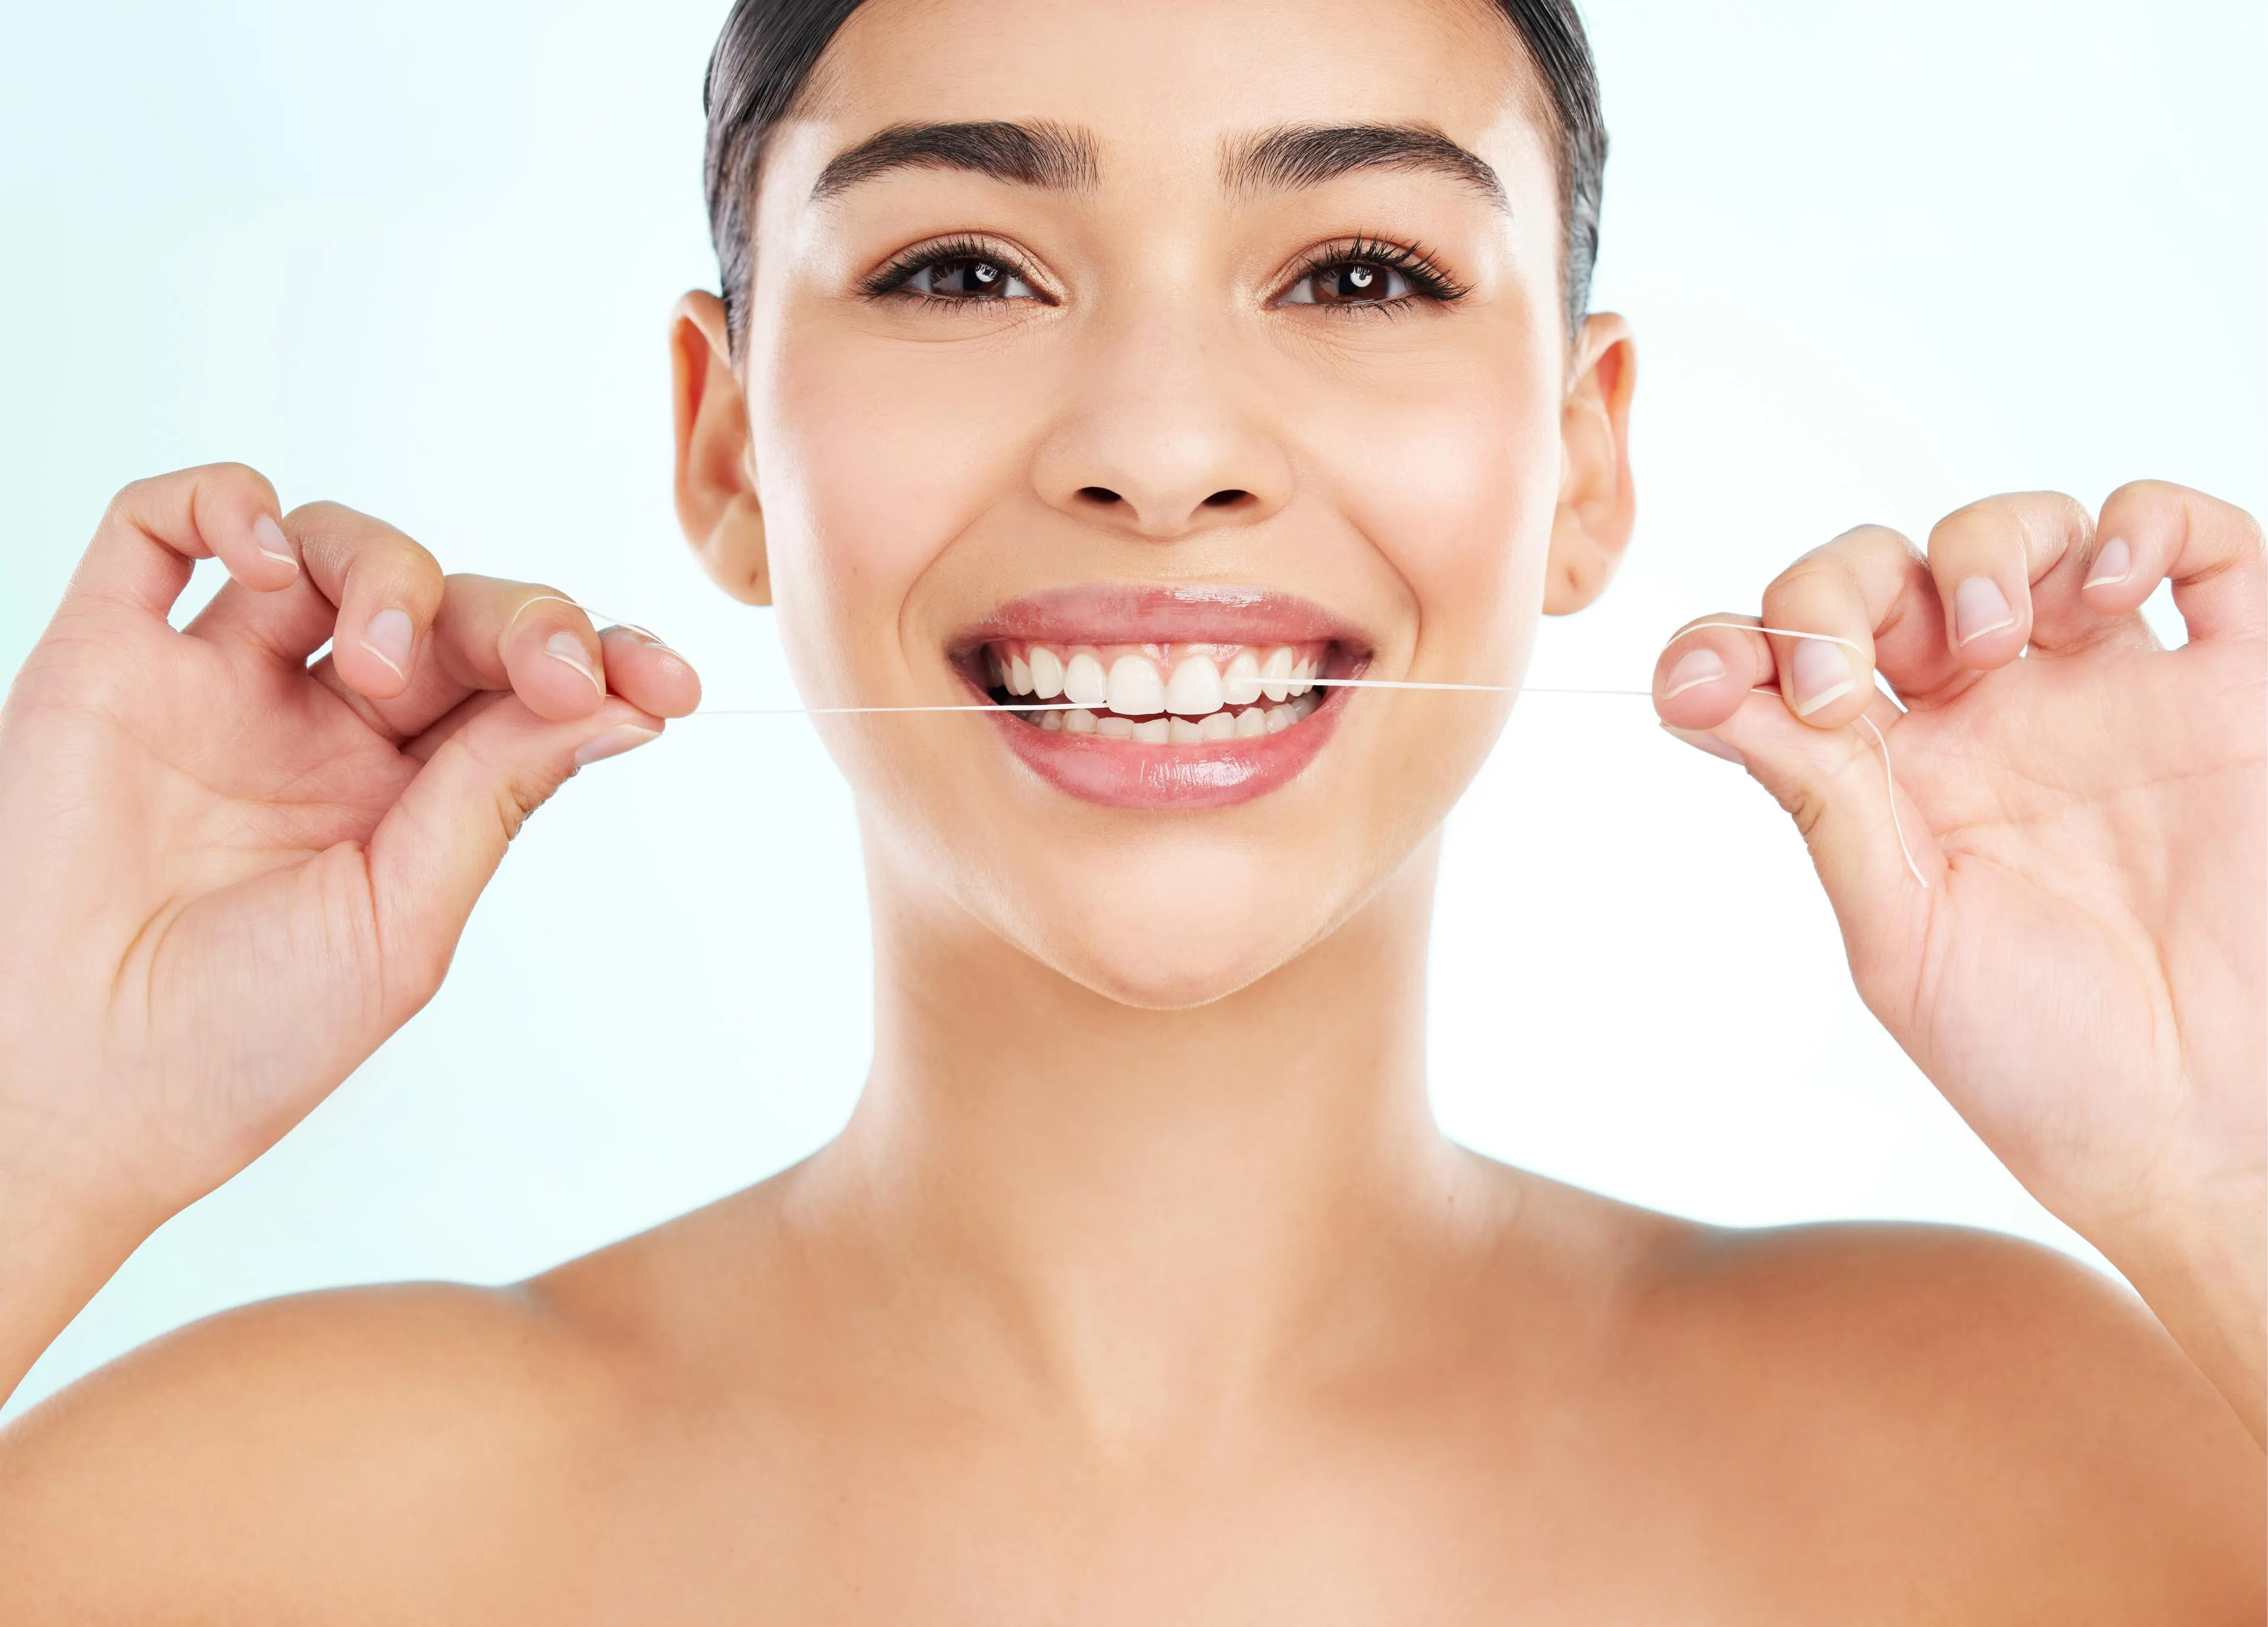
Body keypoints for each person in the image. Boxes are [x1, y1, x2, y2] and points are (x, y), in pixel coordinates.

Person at [1, 0, 2259, 1616]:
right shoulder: (263, 1534)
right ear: (723, 443)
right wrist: (33, 1117)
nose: (1164, 443)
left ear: (1582, 466)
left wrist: (2231, 1160)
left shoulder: (2055, 1472)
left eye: (1360, 269)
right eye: (961, 267)